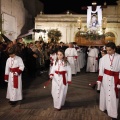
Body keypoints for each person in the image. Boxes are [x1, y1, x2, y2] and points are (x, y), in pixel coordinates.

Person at [97, 42, 120, 119]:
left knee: (113, 95)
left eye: (110, 50)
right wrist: (100, 80)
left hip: (115, 79)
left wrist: (119, 81)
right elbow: (101, 70)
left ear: (114, 49)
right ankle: (104, 107)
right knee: (105, 93)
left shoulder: (119, 57)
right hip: (106, 79)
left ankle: (113, 112)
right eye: (107, 50)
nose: (108, 52)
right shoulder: (103, 58)